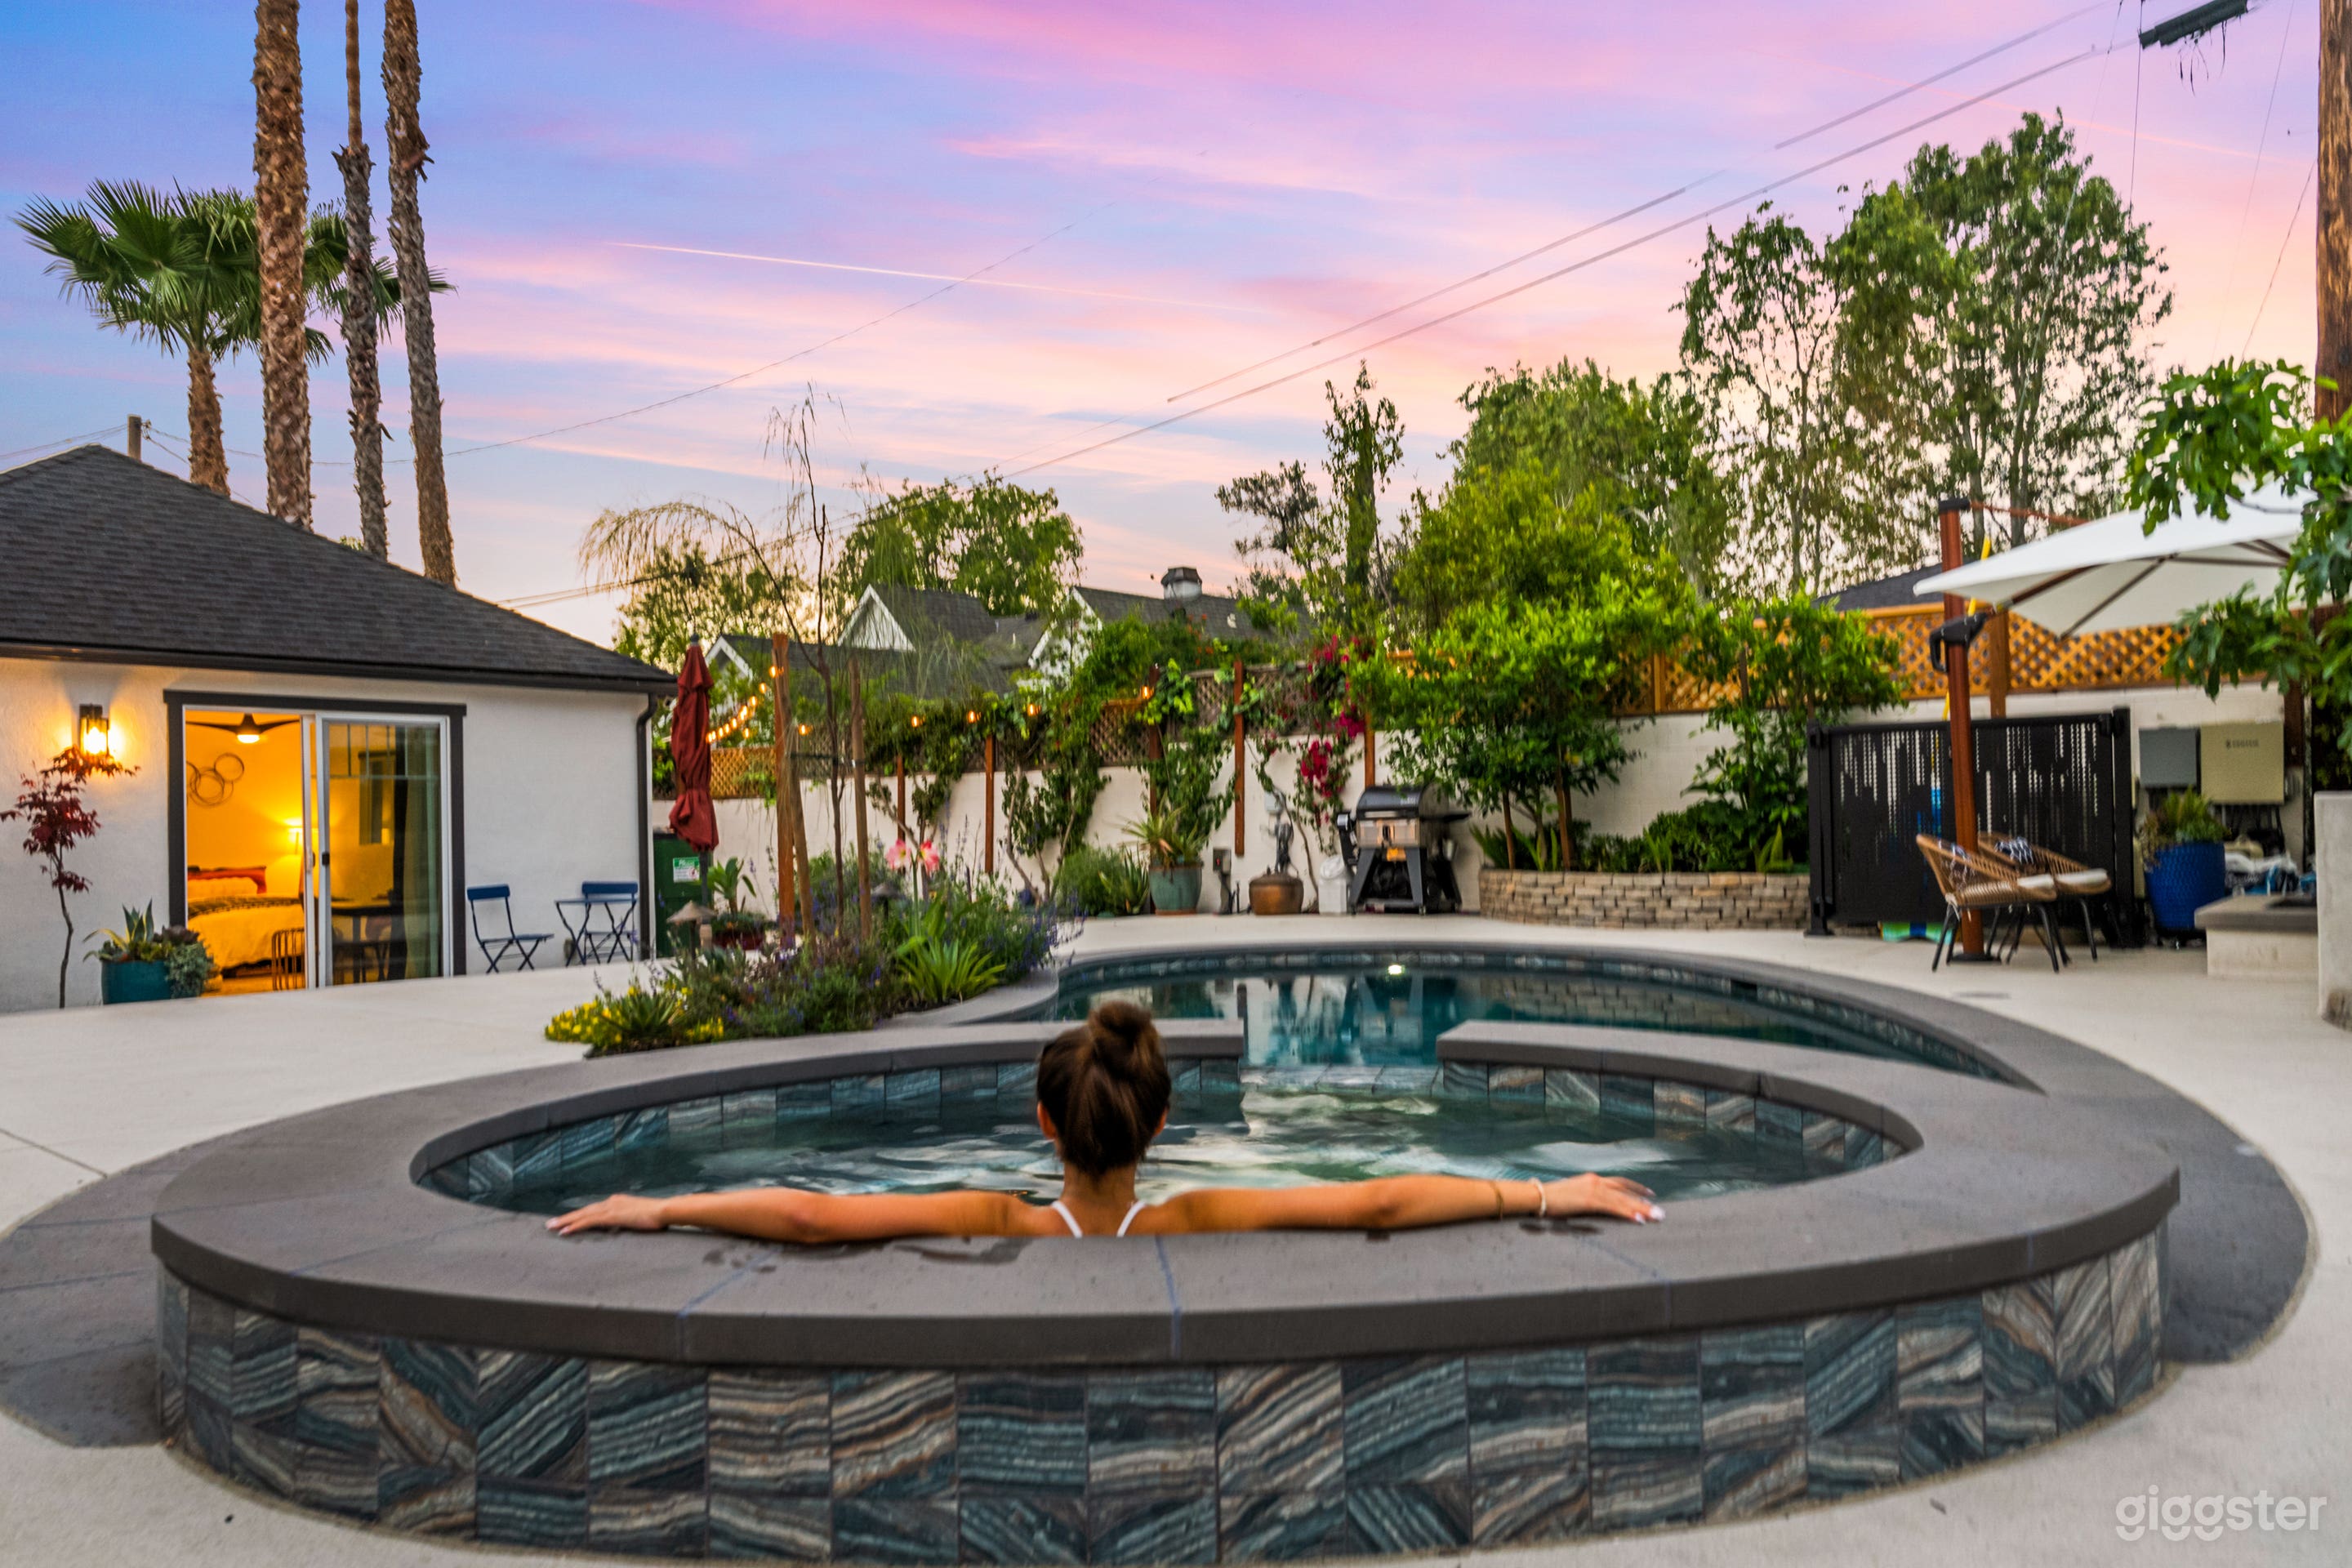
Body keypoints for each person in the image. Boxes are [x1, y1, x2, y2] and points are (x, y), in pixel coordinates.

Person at [546, 1000, 1664, 1241]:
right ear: (1164, 1121)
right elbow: (1378, 1198)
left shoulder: (1005, 1220)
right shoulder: (1194, 1218)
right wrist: (1541, 1189)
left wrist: (657, 1206)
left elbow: (808, 1216)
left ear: (1042, 1123)